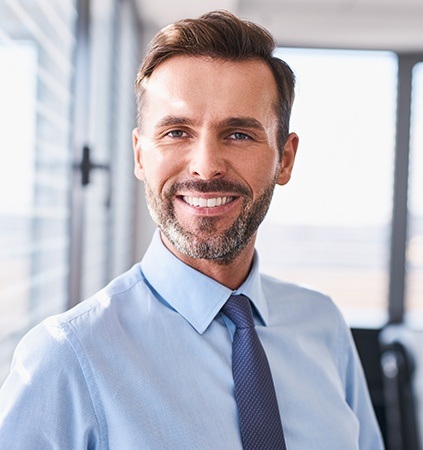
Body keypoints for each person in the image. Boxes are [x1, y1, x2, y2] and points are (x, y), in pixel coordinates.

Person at [0, 10, 384, 450]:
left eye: (239, 134)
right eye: (177, 131)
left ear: (286, 158)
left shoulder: (323, 325)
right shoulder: (66, 358)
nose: (205, 166)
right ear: (140, 156)